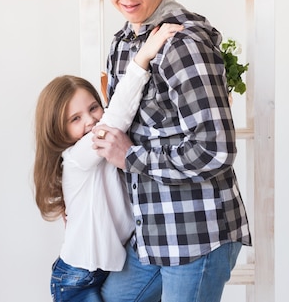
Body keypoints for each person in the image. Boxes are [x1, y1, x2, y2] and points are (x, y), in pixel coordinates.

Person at [91, 0, 252, 302]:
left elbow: (214, 150)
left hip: (197, 233)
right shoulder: (122, 44)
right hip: (150, 234)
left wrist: (130, 156)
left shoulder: (183, 43)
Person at [34, 23, 184, 302]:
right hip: (77, 278)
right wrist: (142, 59)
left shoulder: (104, 153)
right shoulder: (78, 156)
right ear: (58, 130)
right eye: (75, 119)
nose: (90, 121)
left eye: (93, 108)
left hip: (100, 270)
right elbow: (117, 116)